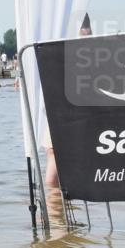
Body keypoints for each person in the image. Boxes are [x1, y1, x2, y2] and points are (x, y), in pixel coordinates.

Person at [45, 13, 93, 188]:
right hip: (62, 106)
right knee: (55, 156)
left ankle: (57, 201)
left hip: (78, 109)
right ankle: (57, 201)